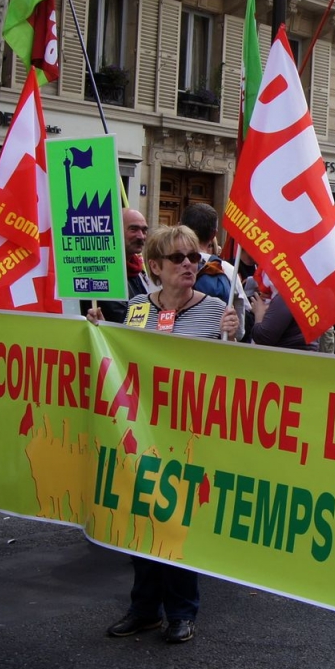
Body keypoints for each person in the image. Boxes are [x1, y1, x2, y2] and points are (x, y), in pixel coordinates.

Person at [88, 225, 240, 644]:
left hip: (189, 435)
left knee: (176, 521)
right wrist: (99, 328)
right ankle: (144, 609)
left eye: (194, 257)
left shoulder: (216, 308)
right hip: (142, 431)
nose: (190, 264)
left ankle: (181, 611)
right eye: (178, 258)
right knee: (142, 517)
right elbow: (122, 356)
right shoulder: (138, 307)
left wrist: (234, 334)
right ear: (155, 266)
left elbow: (233, 373)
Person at [181, 203, 247, 339]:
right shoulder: (228, 270)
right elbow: (239, 332)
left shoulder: (168, 266)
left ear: (180, 227)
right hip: (214, 347)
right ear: (214, 234)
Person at [93, 208, 151, 323]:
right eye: (133, 229)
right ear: (115, 230)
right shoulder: (102, 272)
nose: (141, 236)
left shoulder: (137, 269)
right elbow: (121, 318)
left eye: (144, 230)